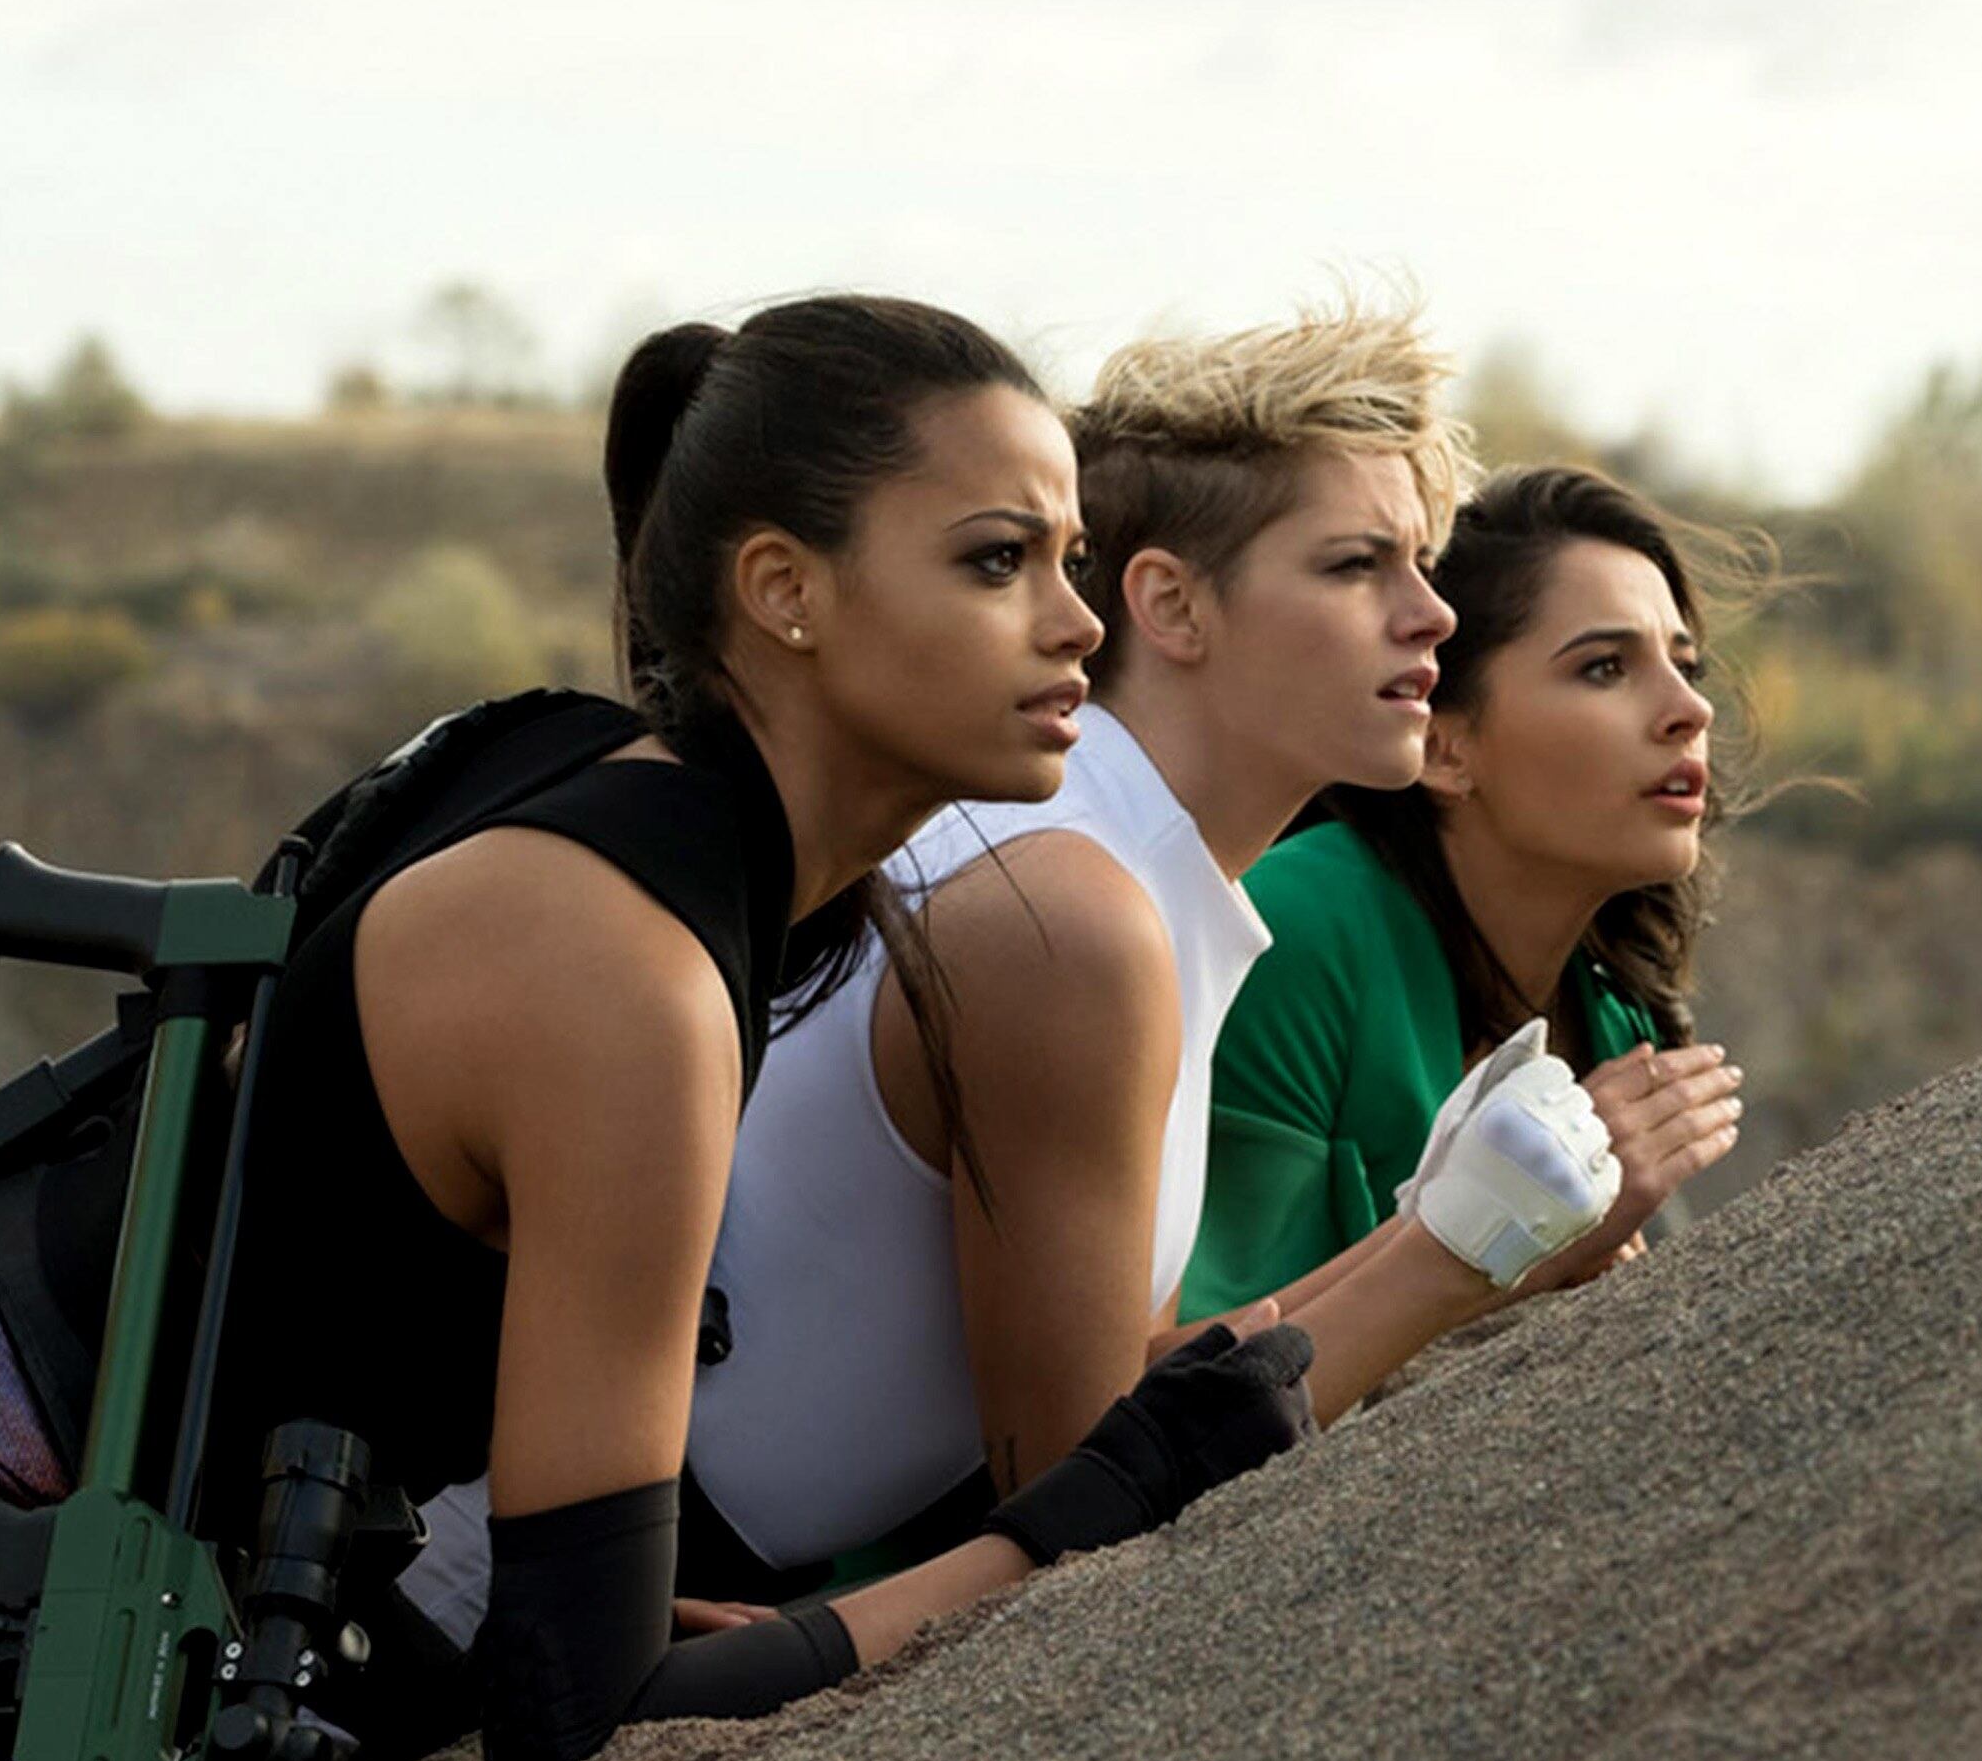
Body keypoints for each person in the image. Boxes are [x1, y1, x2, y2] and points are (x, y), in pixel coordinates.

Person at [0, 294, 1329, 1761]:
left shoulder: (611, 792)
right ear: (785, 591)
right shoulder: (635, 973)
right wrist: (1084, 1511)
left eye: (1074, 560)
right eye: (995, 562)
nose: (1076, 626)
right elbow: (579, 1732)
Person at [672, 306, 1639, 1606]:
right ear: (1172, 604)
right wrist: (1448, 1256)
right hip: (527, 1608)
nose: (1432, 616)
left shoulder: (1122, 865)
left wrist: (1437, 1230)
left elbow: (1126, 1372)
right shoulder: (1074, 905)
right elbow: (1085, 1491)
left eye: (1425, 563)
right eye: (1358, 566)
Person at [1181, 465, 1749, 1322]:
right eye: (1603, 668)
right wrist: (1518, 1233)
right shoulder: (1297, 930)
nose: (1688, 711)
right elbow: (1179, 1397)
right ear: (1444, 749)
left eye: (1685, 665)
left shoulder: (1612, 1021)